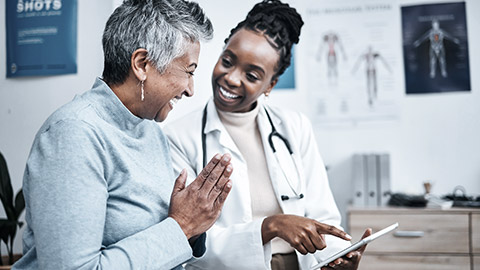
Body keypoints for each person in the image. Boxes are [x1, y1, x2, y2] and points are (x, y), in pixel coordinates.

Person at [13, 0, 233, 269]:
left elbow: (163, 241)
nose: (190, 90)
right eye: (188, 72)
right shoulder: (73, 134)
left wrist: (195, 226)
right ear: (142, 64)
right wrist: (181, 226)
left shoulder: (151, 131)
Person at [164, 1, 372, 269]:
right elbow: (190, 238)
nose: (232, 78)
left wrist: (339, 255)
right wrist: (270, 226)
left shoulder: (295, 127)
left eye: (251, 75)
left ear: (270, 85)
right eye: (227, 61)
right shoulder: (179, 137)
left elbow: (322, 216)